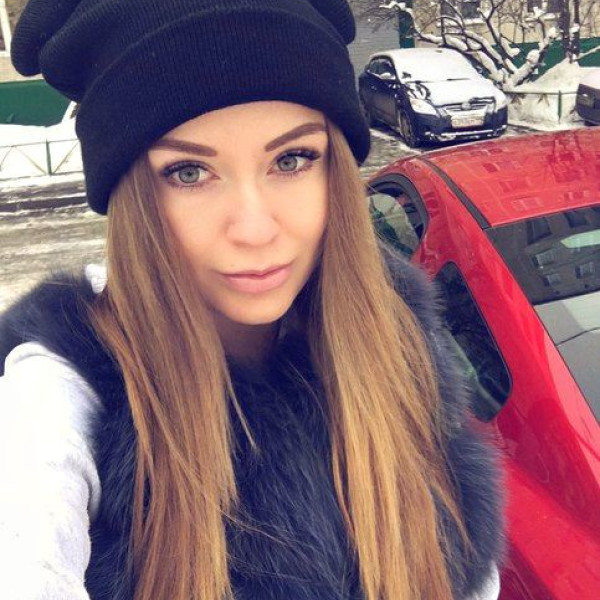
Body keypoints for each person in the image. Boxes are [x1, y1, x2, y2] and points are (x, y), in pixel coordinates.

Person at [0, 0, 504, 599]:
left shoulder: (399, 351)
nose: (255, 229)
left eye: (291, 159)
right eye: (189, 172)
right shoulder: (61, 394)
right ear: (132, 198)